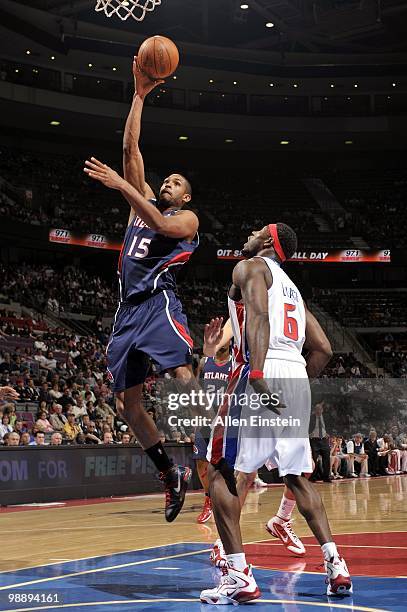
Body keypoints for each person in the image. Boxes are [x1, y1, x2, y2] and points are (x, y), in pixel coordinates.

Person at [200, 223, 352, 604]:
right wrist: (297, 385)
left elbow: (258, 317)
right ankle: (336, 564)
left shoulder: (250, 266)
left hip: (260, 369)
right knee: (298, 478)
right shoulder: (294, 292)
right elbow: (324, 349)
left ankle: (238, 575)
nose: (248, 233)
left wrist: (257, 373)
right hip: (294, 375)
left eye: (256, 231)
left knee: (220, 471)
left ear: (268, 241)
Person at [83, 60, 200, 523]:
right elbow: (130, 146)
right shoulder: (141, 200)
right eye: (164, 179)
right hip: (125, 312)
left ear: (185, 197)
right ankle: (169, 472)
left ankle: (208, 443)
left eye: (175, 183)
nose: (166, 183)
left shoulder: (187, 220)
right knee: (127, 403)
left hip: (157, 302)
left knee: (180, 376)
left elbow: (159, 222)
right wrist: (139, 94)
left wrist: (121, 186)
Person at [203, 317, 307, 561]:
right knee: (244, 473)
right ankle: (223, 542)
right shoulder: (243, 307)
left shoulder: (284, 301)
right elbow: (212, 349)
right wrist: (210, 346)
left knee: (300, 469)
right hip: (251, 386)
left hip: (283, 384)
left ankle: (281, 520)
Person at [194, 340, 232, 524]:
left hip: (225, 420)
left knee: (226, 464)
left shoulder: (235, 363)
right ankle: (209, 499)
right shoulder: (204, 362)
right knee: (200, 461)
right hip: (204, 418)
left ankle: (228, 499)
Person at [309, 402, 331, 482]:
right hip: (314, 440)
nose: (318, 411)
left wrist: (329, 433)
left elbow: (330, 426)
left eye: (320, 409)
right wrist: (308, 434)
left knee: (327, 459)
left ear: (322, 410)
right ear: (314, 410)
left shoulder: (326, 417)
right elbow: (306, 427)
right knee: (314, 459)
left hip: (324, 440)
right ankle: (312, 477)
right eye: (317, 409)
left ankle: (326, 477)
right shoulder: (311, 417)